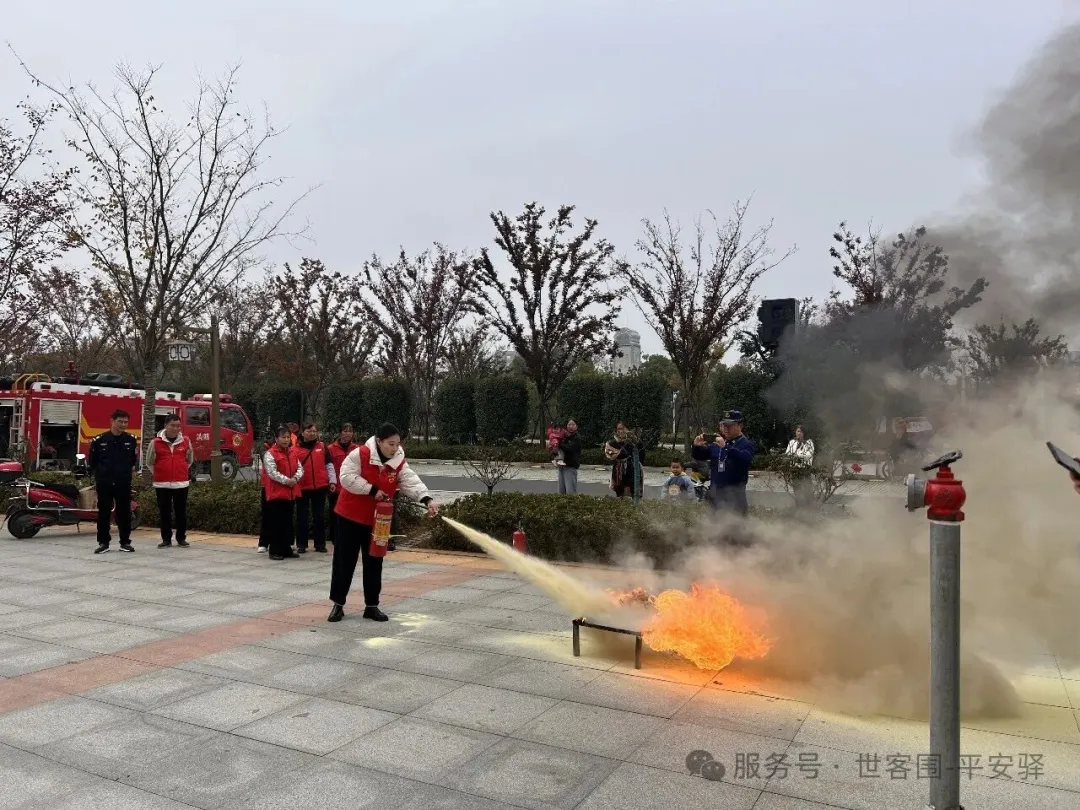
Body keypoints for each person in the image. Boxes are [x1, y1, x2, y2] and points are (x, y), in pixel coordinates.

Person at [328, 422, 440, 623]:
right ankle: (338, 604)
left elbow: (410, 481)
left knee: (375, 560)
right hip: (349, 517)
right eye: (390, 444)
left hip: (378, 520)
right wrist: (372, 490)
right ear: (379, 442)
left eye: (397, 444)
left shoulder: (398, 461)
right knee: (344, 561)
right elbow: (346, 477)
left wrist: (427, 499)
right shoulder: (360, 454)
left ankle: (372, 606)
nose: (394, 448)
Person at [87, 409, 139, 553]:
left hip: (123, 483)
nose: (123, 425)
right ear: (112, 421)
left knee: (124, 513)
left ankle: (125, 542)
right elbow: (93, 462)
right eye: (120, 422)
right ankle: (103, 543)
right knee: (104, 512)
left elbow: (132, 460)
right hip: (105, 483)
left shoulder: (131, 440)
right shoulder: (99, 440)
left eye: (126, 422)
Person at [142, 414, 194, 548]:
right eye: (172, 425)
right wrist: (160, 473)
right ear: (165, 425)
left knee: (181, 512)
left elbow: (189, 460)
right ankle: (166, 539)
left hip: (181, 483)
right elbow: (149, 462)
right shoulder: (155, 442)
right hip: (162, 484)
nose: (176, 428)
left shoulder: (186, 441)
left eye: (178, 426)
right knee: (164, 513)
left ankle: (181, 538)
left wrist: (180, 470)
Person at [693, 409, 756, 515]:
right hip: (716, 495)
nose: (726, 428)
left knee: (735, 524)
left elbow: (745, 460)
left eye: (730, 425)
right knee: (714, 524)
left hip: (735, 497)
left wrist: (726, 447)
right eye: (723, 425)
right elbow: (699, 456)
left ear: (740, 425)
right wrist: (696, 446)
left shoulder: (746, 444)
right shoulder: (717, 442)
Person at [291, 422, 335, 553]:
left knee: (319, 517)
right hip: (302, 487)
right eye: (309, 431)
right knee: (302, 517)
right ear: (303, 432)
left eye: (314, 431)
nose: (312, 434)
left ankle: (320, 544)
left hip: (320, 487)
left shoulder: (322, 446)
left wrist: (332, 481)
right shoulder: (294, 449)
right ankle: (301, 544)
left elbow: (329, 465)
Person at [262, 426, 303, 560]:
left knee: (287, 523)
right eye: (283, 437)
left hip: (290, 493)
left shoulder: (292, 452)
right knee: (276, 523)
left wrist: (295, 478)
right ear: (276, 439)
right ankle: (274, 550)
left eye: (287, 437)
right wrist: (287, 481)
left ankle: (286, 549)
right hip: (276, 494)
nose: (286, 440)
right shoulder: (270, 454)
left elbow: (300, 468)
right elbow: (272, 472)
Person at [326, 422, 357, 545]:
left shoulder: (356, 449)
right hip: (336, 486)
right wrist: (331, 482)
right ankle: (334, 537)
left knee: (350, 513)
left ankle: (347, 537)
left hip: (351, 487)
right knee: (335, 513)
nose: (348, 433)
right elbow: (328, 467)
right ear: (340, 433)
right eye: (345, 431)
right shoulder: (330, 448)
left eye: (350, 431)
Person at [605, 422, 645, 499]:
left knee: (632, 489)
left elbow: (641, 456)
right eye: (618, 429)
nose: (620, 431)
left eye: (622, 429)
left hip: (632, 468)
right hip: (618, 470)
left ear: (627, 429)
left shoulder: (635, 442)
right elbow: (609, 457)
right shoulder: (613, 443)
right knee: (619, 490)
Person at [785, 425, 815, 506]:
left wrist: (797, 456)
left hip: (805, 468)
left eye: (801, 431)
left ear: (804, 433)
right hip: (794, 469)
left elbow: (809, 455)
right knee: (797, 489)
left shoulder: (809, 442)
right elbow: (787, 453)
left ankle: (810, 507)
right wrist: (792, 457)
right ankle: (799, 507)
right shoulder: (792, 442)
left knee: (807, 488)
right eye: (798, 431)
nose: (799, 433)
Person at [256, 430, 275, 553]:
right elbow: (267, 462)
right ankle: (263, 542)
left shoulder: (287, 449)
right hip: (267, 486)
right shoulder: (264, 449)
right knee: (267, 514)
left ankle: (285, 541)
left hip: (282, 486)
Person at [555, 419, 582, 494]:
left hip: (570, 466)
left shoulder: (576, 438)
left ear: (576, 426)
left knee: (570, 491)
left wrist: (559, 443)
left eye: (573, 424)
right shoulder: (564, 437)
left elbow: (569, 449)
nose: (570, 426)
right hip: (561, 467)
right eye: (569, 424)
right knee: (561, 491)